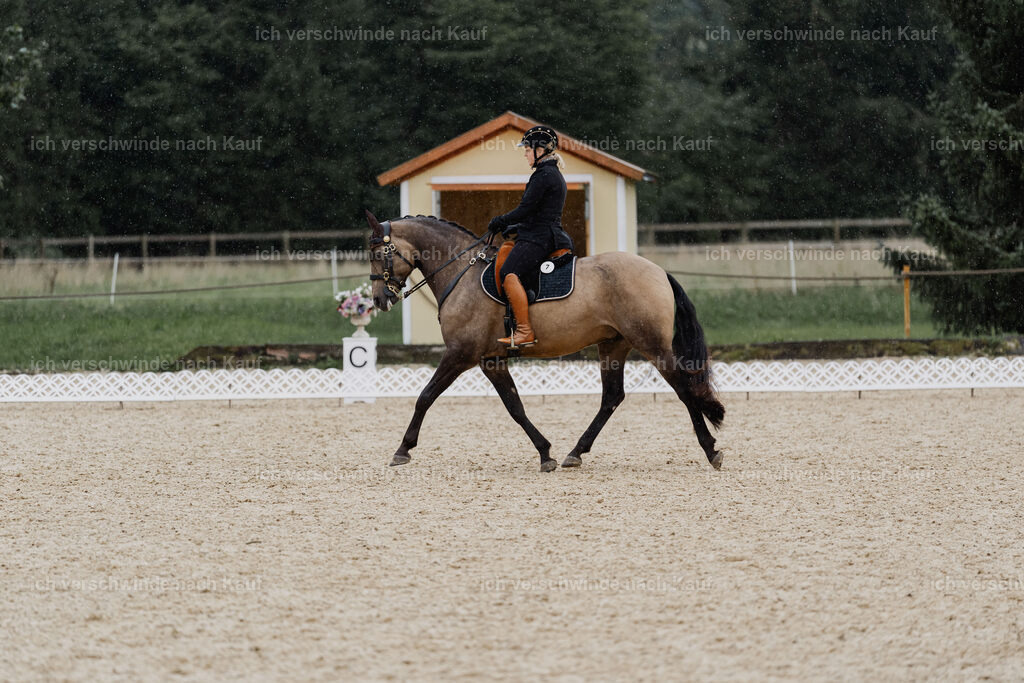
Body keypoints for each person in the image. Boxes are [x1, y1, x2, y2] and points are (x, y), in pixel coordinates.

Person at [487, 124, 573, 347]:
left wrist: (501, 220)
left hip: (540, 237)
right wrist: (515, 226)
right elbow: (537, 212)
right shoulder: (549, 174)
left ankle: (524, 331)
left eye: (527, 150)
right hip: (541, 232)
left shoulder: (544, 175)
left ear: (540, 150)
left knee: (508, 272)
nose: (525, 154)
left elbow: (525, 209)